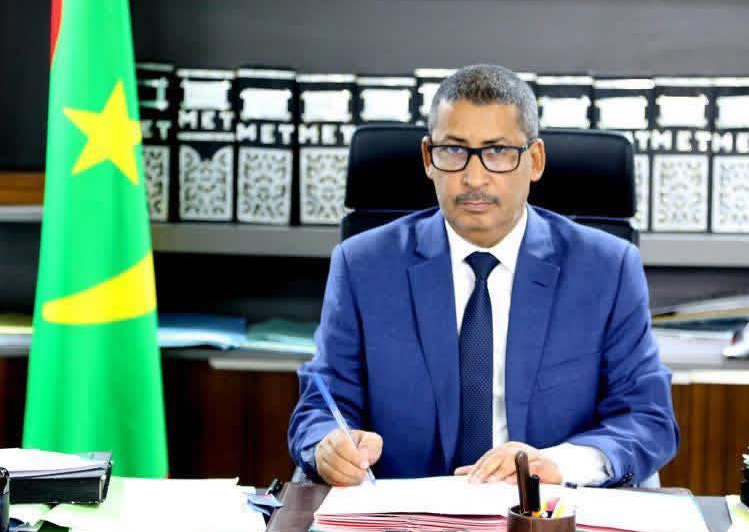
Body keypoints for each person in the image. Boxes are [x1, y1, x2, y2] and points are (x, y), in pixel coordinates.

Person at [289, 64, 677, 488]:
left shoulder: (607, 268)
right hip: (406, 514)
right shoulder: (363, 265)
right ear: (428, 159)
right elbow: (320, 406)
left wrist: (559, 464)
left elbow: (648, 418)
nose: (474, 178)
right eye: (453, 151)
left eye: (498, 151)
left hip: (547, 513)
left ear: (535, 160)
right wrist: (327, 445)